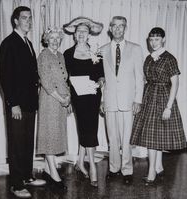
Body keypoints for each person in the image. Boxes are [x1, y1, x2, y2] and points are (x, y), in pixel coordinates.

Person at [0, 6, 46, 198]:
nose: (28, 21)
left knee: (27, 142)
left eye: (30, 18)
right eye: (24, 18)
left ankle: (27, 176)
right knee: (17, 144)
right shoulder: (9, 43)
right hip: (17, 104)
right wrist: (13, 103)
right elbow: (5, 76)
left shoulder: (27, 42)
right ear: (16, 21)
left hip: (30, 103)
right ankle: (16, 184)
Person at [130, 27, 186, 185]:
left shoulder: (169, 58)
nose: (153, 43)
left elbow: (175, 84)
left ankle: (151, 173)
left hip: (163, 99)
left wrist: (168, 107)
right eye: (151, 39)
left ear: (163, 40)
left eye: (157, 39)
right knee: (153, 136)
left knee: (154, 137)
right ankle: (159, 167)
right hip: (149, 97)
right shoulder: (148, 58)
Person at [100, 16, 144, 185]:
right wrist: (102, 101)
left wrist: (137, 100)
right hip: (110, 101)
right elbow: (101, 79)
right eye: (115, 26)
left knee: (126, 138)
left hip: (128, 101)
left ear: (125, 29)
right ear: (110, 29)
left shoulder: (135, 49)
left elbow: (139, 77)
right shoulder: (102, 50)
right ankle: (113, 168)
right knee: (112, 137)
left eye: (121, 26)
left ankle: (127, 170)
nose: (118, 29)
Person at [63, 17, 104, 187]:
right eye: (78, 31)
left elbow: (101, 74)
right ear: (74, 34)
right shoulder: (67, 53)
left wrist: (101, 81)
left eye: (84, 31)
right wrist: (68, 99)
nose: (81, 34)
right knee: (85, 126)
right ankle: (92, 165)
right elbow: (65, 78)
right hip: (77, 96)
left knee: (90, 127)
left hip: (93, 94)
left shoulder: (96, 51)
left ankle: (81, 161)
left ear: (89, 35)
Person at [36, 27, 70, 191]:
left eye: (58, 38)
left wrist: (68, 99)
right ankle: (54, 176)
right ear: (46, 40)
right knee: (49, 135)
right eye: (52, 38)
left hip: (61, 101)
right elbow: (47, 83)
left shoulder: (60, 55)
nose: (55, 41)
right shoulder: (43, 55)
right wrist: (61, 99)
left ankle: (49, 171)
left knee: (56, 135)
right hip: (50, 101)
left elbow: (64, 79)